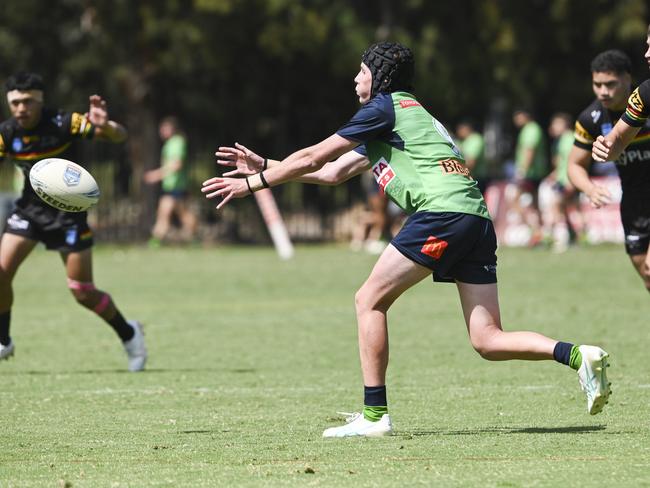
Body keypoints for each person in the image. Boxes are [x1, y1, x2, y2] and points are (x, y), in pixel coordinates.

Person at [204, 42, 611, 437]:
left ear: (378, 76)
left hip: (442, 214)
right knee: (487, 340)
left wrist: (253, 184)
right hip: (475, 218)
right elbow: (331, 174)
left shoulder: (383, 108)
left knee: (369, 300)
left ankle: (375, 414)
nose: (355, 79)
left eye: (362, 71)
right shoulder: (408, 116)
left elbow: (314, 157)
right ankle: (578, 355)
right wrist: (270, 166)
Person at [0, 72, 147, 371]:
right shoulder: (7, 133)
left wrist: (106, 126)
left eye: (28, 101)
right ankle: (4, 340)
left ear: (40, 101)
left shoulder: (64, 123)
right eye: (15, 102)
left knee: (82, 291)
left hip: (68, 215)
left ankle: (129, 333)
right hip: (29, 212)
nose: (21, 109)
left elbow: (119, 136)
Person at [568, 47, 650, 292]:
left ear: (627, 77)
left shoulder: (646, 99)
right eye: (597, 84)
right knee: (646, 274)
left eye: (610, 84)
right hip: (635, 201)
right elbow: (574, 165)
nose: (603, 91)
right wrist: (589, 188)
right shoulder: (590, 119)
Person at [144, 116, 197, 246]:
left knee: (170, 213)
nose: (162, 131)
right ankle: (194, 238)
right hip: (171, 186)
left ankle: (155, 241)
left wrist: (156, 175)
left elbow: (177, 164)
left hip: (176, 186)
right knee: (175, 213)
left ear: (173, 129)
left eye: (165, 128)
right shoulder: (171, 143)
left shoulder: (177, 142)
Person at [539, 113, 581, 252]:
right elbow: (561, 163)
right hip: (563, 179)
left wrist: (571, 180)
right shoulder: (561, 140)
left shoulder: (569, 139)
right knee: (566, 209)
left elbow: (573, 161)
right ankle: (575, 237)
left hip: (569, 180)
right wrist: (553, 175)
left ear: (565, 124)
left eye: (557, 124)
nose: (554, 127)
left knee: (556, 205)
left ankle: (562, 240)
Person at [507, 108, 547, 245]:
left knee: (514, 199)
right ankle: (539, 233)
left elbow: (530, 150)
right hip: (533, 173)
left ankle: (535, 231)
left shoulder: (531, 129)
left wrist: (522, 171)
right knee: (535, 204)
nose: (516, 120)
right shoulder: (530, 129)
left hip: (530, 173)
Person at [455, 120, 489, 194]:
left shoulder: (476, 139)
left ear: (465, 129)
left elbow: (471, 162)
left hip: (477, 178)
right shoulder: (463, 141)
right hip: (467, 177)